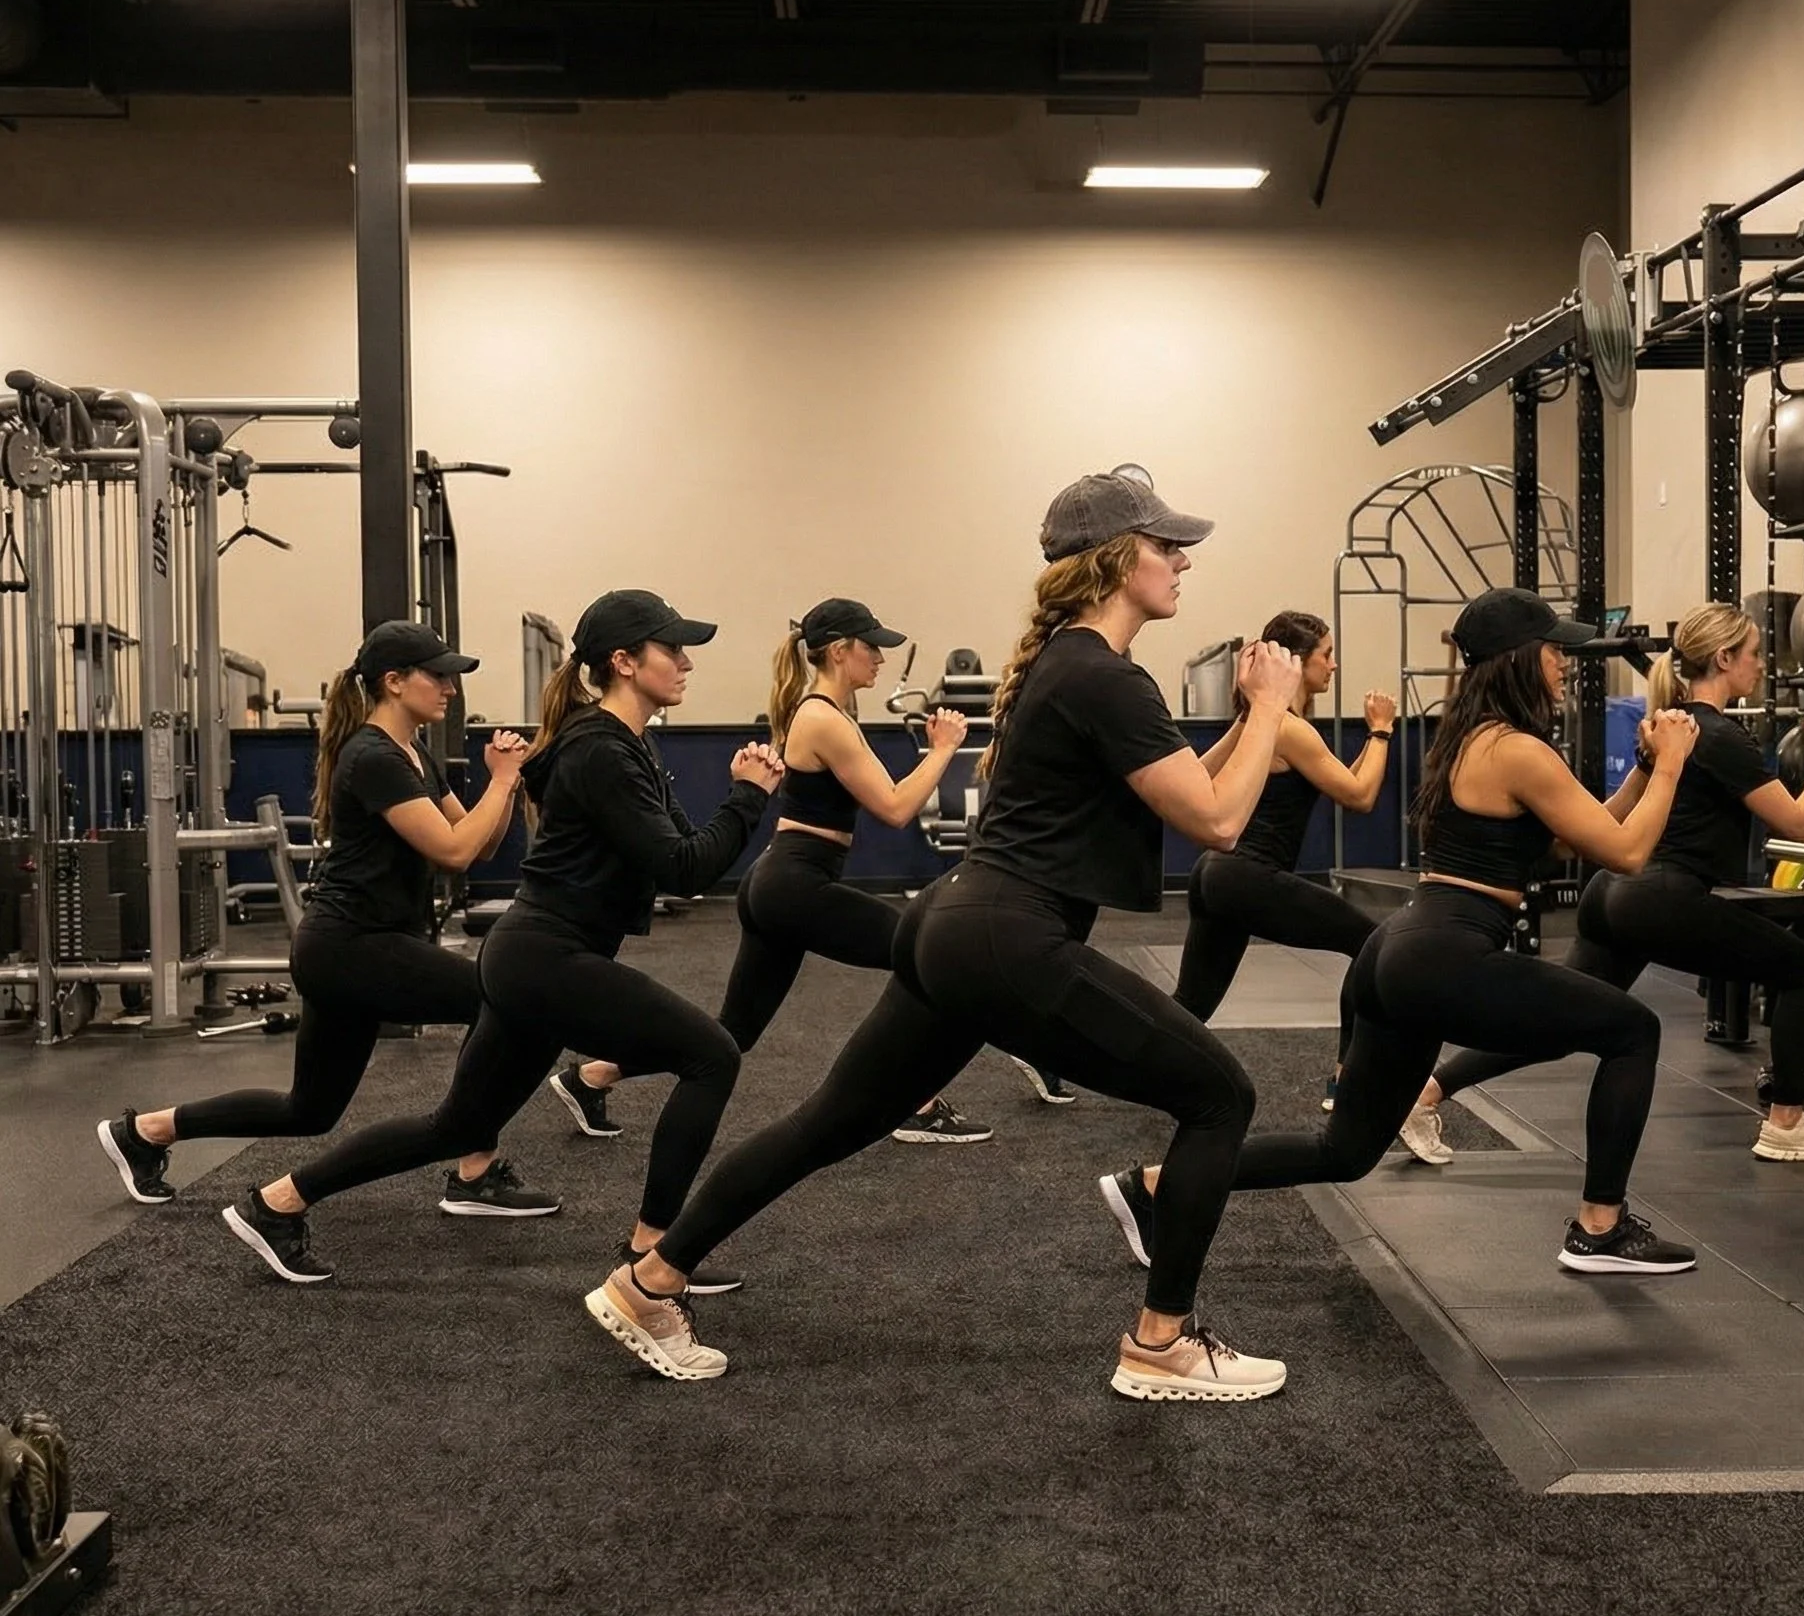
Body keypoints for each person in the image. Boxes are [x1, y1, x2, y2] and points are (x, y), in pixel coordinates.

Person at [586, 469, 1304, 1399]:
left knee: (829, 1123)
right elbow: (1216, 822)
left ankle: (650, 1280)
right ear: (1119, 560)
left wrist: (1252, 721)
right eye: (1168, 546)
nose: (1183, 560)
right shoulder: (1103, 673)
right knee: (1220, 1099)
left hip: (957, 927)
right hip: (1006, 934)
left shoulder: (1069, 666)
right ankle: (1162, 1344)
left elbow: (1178, 787)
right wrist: (1274, 710)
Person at [1099, 588, 1702, 1279]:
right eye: (1554, 651)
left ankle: (1153, 1185)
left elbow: (1584, 835)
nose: (1564, 664)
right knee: (1633, 1031)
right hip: (1447, 955)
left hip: (1403, 954)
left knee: (1344, 1153)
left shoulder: (1471, 738)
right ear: (1520, 660)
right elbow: (1626, 854)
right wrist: (1675, 764)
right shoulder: (1518, 750)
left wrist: (1650, 772)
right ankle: (1600, 1226)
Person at [217, 590, 780, 1292]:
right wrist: (749, 796)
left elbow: (675, 847)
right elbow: (686, 868)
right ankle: (653, 1256)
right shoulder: (600, 748)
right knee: (711, 1055)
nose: (687, 663)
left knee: (457, 1125)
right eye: (673, 650)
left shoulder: (623, 742)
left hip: (533, 958)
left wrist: (733, 806)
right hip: (547, 959)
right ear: (625, 662)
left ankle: (277, 1203)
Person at [96, 621, 554, 1220]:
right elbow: (454, 851)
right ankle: (475, 1168)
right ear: (394, 682)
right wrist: (498, 779)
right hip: (352, 947)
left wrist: (508, 780)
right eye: (437, 675)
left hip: (353, 947)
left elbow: (480, 843)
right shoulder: (372, 756)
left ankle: (145, 1132)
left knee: (308, 1111)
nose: (450, 688)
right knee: (500, 1001)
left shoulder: (413, 753)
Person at [1412, 601, 1804, 1163]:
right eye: (1753, 655)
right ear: (1724, 659)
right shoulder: (1717, 734)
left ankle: (1427, 1093)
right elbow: (1799, 821)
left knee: (1557, 1023)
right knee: (1800, 969)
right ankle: (1786, 1121)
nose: (1761, 667)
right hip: (1661, 896)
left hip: (1612, 897)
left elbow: (1602, 829)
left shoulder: (1673, 727)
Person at [710, 597, 990, 1144]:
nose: (881, 659)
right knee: (920, 954)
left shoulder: (825, 712)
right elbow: (894, 807)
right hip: (794, 882)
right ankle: (916, 1103)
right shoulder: (822, 717)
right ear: (840, 651)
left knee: (734, 1033)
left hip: (781, 880)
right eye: (872, 648)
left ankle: (593, 1076)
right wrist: (943, 749)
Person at [1171, 608, 1395, 1112]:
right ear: (1298, 662)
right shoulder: (1291, 729)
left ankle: (1068, 1055)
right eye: (1327, 655)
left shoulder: (1262, 722)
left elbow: (1340, 782)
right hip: (1249, 876)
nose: (1333, 666)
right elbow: (1360, 797)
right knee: (1372, 944)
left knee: (1190, 1007)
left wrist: (1369, 744)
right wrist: (1380, 732)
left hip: (1216, 875)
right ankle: (1346, 1080)